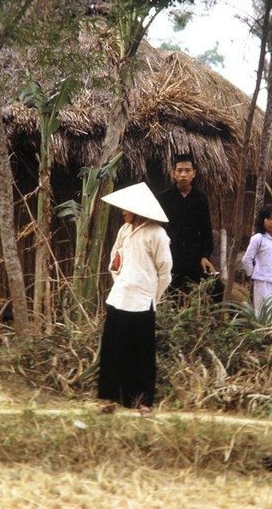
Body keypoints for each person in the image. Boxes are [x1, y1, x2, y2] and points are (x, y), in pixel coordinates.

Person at [97, 182, 172, 417]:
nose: (123, 212)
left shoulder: (157, 234)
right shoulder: (124, 231)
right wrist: (116, 267)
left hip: (142, 302)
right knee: (112, 351)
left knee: (142, 354)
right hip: (119, 297)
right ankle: (108, 400)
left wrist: (153, 298)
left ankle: (144, 403)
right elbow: (114, 257)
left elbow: (165, 272)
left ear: (137, 210)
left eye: (126, 208)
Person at [157, 153, 224, 303]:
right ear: (173, 173)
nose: (183, 175)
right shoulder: (164, 198)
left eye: (187, 170)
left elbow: (206, 230)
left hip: (195, 260)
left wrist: (205, 256)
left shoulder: (200, 199)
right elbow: (156, 228)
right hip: (170, 259)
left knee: (218, 290)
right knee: (168, 298)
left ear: (194, 173)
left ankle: (217, 323)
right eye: (179, 170)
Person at [241, 204, 272, 321]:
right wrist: (253, 275)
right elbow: (246, 259)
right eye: (268, 219)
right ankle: (263, 337)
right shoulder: (258, 238)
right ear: (262, 220)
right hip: (263, 282)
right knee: (263, 314)